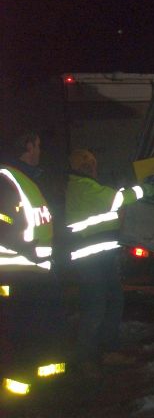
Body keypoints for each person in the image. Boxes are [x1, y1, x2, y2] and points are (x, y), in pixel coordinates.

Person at [65, 149, 154, 375]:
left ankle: (108, 351)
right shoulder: (83, 187)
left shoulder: (88, 186)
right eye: (90, 164)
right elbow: (117, 199)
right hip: (91, 259)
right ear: (83, 168)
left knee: (113, 302)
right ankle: (85, 357)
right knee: (96, 308)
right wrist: (146, 188)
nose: (94, 167)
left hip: (103, 256)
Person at [0, 130, 67, 396]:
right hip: (17, 272)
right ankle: (19, 394)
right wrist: (27, 250)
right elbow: (3, 222)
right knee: (24, 332)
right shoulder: (6, 178)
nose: (40, 151)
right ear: (27, 145)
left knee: (46, 329)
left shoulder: (28, 179)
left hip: (37, 271)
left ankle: (48, 388)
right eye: (37, 145)